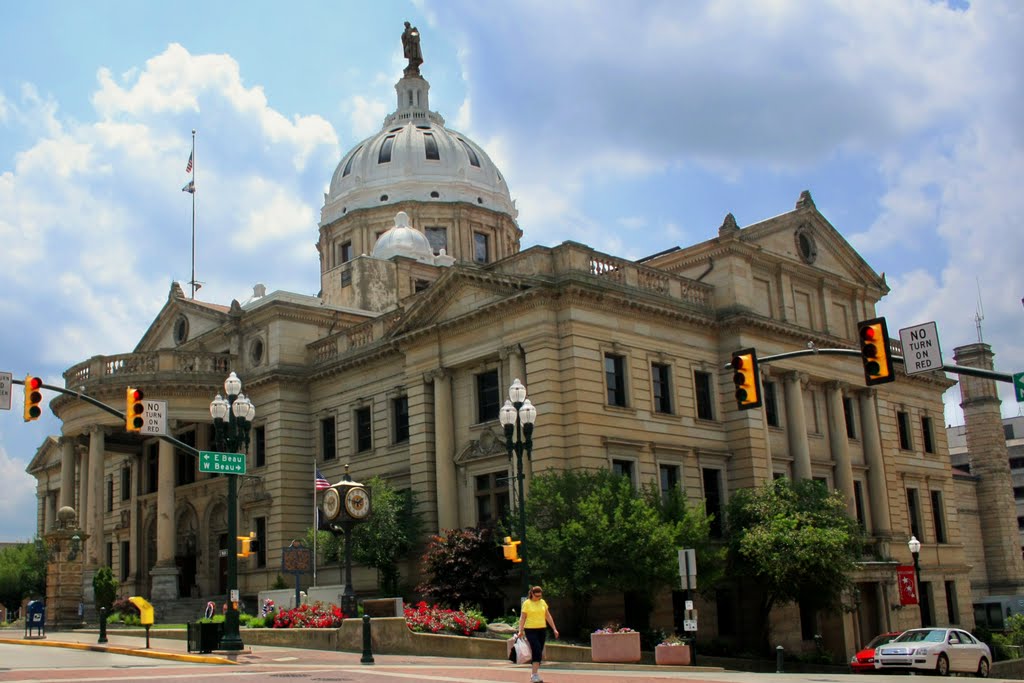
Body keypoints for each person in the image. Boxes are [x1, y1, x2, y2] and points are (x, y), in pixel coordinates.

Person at [517, 585, 559, 683]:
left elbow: (548, 616)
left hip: (542, 629)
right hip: (530, 630)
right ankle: (534, 675)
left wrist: (554, 629)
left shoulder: (543, 602)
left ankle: (535, 673)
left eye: (540, 596)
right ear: (531, 594)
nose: (538, 598)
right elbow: (522, 618)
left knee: (539, 651)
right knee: (536, 649)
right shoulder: (527, 603)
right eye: (536, 596)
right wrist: (520, 630)